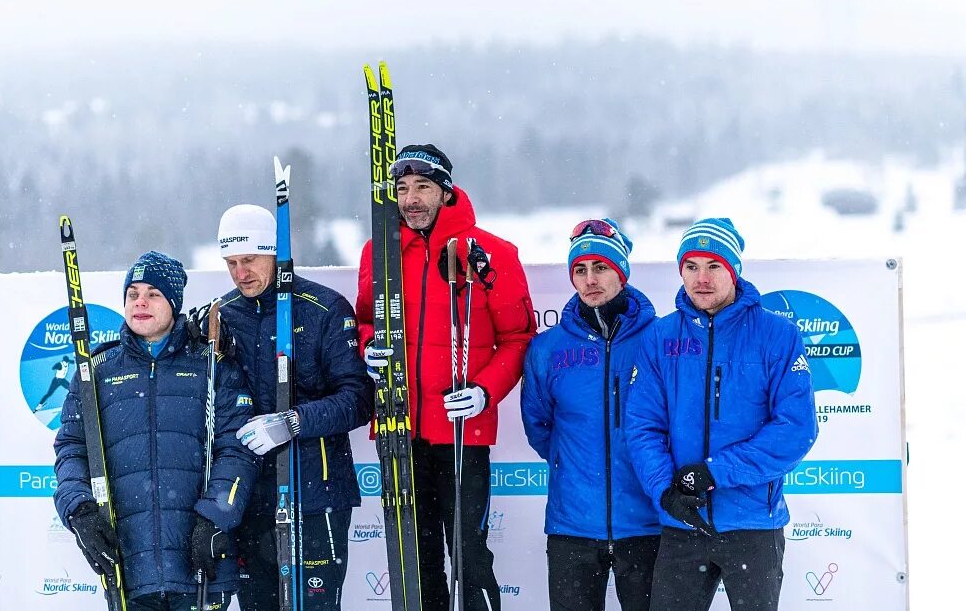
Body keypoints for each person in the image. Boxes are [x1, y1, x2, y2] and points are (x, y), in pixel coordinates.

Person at [355, 144, 537, 611]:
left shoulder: (490, 252)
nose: (411, 199)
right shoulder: (380, 252)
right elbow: (365, 321)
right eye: (402, 189)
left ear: (445, 191)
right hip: (400, 428)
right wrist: (368, 347)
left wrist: (484, 392)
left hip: (461, 432)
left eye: (422, 187)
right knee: (414, 558)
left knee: (470, 555)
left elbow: (519, 337)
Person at [624, 218, 819, 611]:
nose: (702, 278)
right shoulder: (661, 337)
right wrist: (666, 491)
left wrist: (715, 472)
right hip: (683, 522)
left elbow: (796, 428)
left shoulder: (777, 335)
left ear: (733, 271)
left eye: (714, 266)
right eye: (691, 267)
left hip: (753, 525)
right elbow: (643, 426)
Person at [54, 250, 260, 611]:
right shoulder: (97, 372)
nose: (141, 302)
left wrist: (215, 518)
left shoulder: (211, 367)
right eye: (133, 294)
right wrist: (79, 511)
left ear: (174, 303)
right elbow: (72, 449)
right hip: (129, 569)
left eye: (153, 293)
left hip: (201, 566)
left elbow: (238, 450)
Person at [211, 204, 374, 611]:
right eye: (231, 262)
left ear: (275, 253)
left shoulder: (323, 308)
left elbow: (357, 400)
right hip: (248, 498)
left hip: (317, 494)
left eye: (249, 260)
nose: (240, 273)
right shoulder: (223, 314)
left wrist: (294, 421)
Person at [521, 218, 661, 611]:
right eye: (580, 270)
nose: (589, 279)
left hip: (647, 521)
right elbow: (539, 426)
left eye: (600, 267)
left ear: (621, 273)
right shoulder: (547, 348)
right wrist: (571, 462)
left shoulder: (660, 339)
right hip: (572, 526)